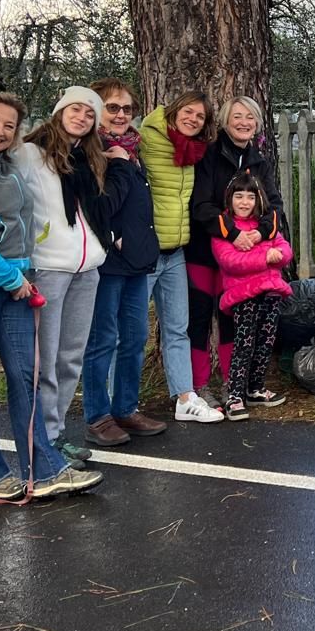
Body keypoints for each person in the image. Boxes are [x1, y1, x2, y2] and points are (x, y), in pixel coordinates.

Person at [0, 92, 102, 500]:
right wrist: (10, 278)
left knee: (26, 373)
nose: (0, 131)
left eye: (9, 126)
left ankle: (44, 468)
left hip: (16, 280)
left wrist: (19, 274)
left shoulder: (6, 164)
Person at [17, 86, 110, 467]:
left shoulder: (89, 159)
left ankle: (55, 433)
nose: (82, 117)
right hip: (49, 266)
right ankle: (42, 439)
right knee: (46, 357)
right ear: (59, 111)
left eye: (90, 114)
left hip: (87, 267)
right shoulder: (30, 153)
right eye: (76, 109)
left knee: (71, 356)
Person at [82, 78, 167, 448]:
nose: (120, 115)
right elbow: (95, 205)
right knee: (103, 339)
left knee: (135, 337)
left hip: (136, 259)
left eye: (127, 108)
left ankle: (126, 408)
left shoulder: (133, 150)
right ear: (97, 111)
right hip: (107, 261)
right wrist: (113, 234)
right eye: (112, 107)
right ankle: (97, 416)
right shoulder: (92, 152)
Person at [187, 96, 284, 398]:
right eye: (237, 117)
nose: (244, 123)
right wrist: (232, 234)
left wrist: (258, 234)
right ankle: (199, 386)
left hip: (243, 257)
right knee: (200, 319)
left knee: (234, 320)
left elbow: (274, 206)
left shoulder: (259, 162)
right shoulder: (209, 154)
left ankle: (234, 386)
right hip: (204, 252)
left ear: (257, 123)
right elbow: (201, 205)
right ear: (226, 121)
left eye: (250, 117)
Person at [138, 90, 224, 424]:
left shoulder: (193, 150)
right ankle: (120, 403)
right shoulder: (147, 139)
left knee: (177, 329)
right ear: (174, 111)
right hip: (145, 252)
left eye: (200, 116)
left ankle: (185, 398)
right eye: (188, 112)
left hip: (175, 252)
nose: (193, 119)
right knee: (132, 334)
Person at [209, 173, 295, 421]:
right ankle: (235, 395)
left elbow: (284, 248)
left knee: (265, 341)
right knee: (244, 344)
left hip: (271, 292)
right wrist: (265, 258)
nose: (245, 202)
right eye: (239, 196)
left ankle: (255, 388)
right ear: (230, 198)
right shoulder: (227, 229)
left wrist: (279, 254)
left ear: (258, 200)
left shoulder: (264, 226)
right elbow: (231, 261)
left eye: (250, 197)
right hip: (245, 295)